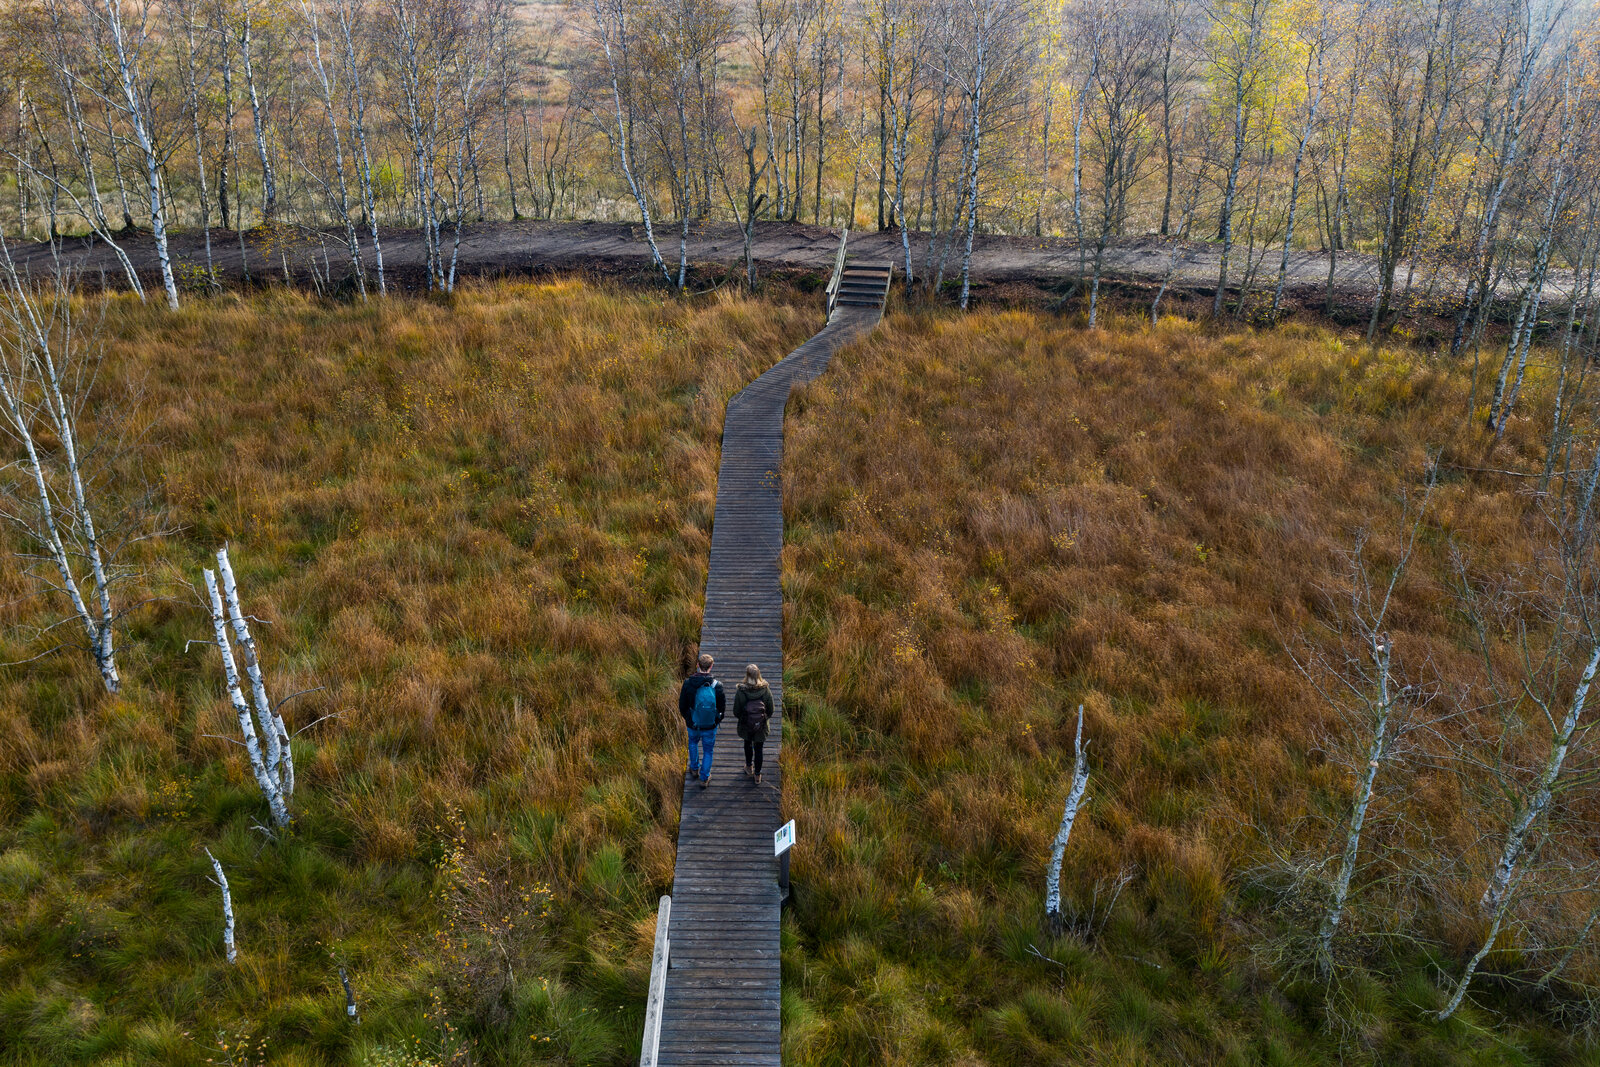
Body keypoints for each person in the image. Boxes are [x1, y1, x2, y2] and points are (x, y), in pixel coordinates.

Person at [677, 653, 724, 788]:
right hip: (710, 726)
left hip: (693, 724)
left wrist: (689, 720)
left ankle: (694, 769)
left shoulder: (688, 684)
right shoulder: (717, 686)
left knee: (693, 743)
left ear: (698, 665)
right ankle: (704, 778)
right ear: (711, 667)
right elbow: (722, 708)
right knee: (708, 751)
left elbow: (682, 706)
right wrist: (716, 720)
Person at [733, 664, 774, 785]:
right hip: (761, 727)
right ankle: (757, 775)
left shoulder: (741, 691)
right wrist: (763, 719)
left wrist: (744, 719)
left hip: (746, 726)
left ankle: (749, 767)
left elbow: (736, 711)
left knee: (747, 744)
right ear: (759, 675)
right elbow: (771, 710)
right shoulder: (765, 690)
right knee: (759, 749)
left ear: (747, 675)